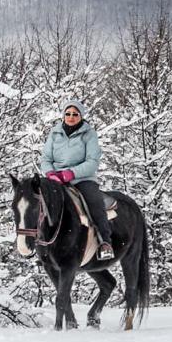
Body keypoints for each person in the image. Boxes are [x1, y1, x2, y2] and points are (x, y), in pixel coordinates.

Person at [39, 100, 113, 260]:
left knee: (94, 201)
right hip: (56, 179)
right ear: (63, 115)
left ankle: (104, 242)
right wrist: (50, 173)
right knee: (37, 202)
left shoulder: (89, 134)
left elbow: (92, 162)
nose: (71, 117)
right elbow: (45, 158)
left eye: (75, 114)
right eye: (68, 114)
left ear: (81, 116)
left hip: (82, 178)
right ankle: (41, 245)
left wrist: (71, 173)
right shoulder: (55, 133)